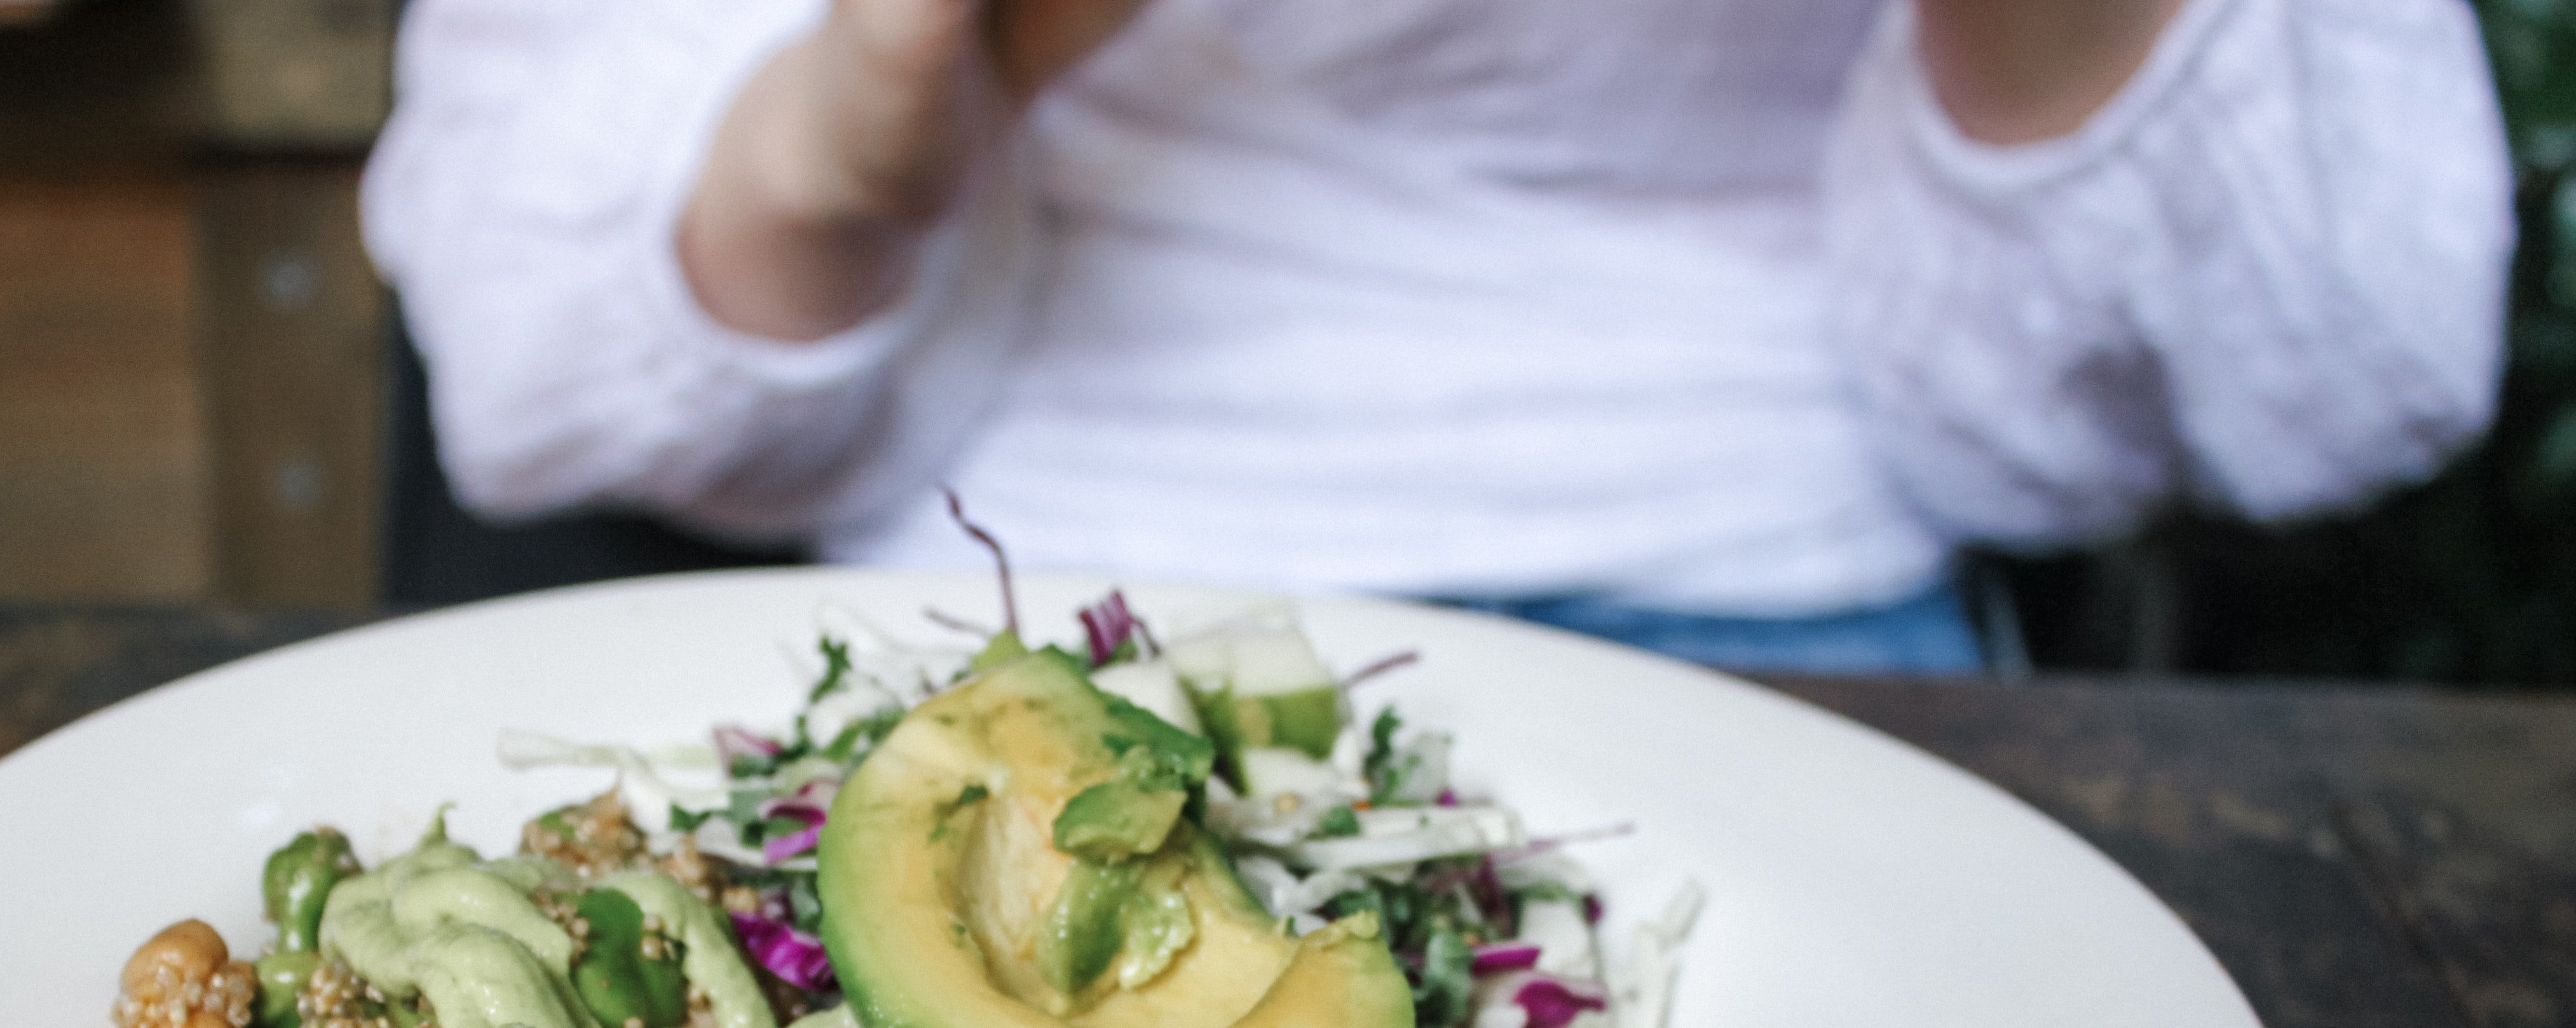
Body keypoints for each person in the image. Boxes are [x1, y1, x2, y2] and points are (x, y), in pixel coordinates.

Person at [362, 0, 2514, 671]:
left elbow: (2315, 377)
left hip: (1787, 594)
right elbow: (546, 374)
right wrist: (902, 80)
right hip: (1026, 572)